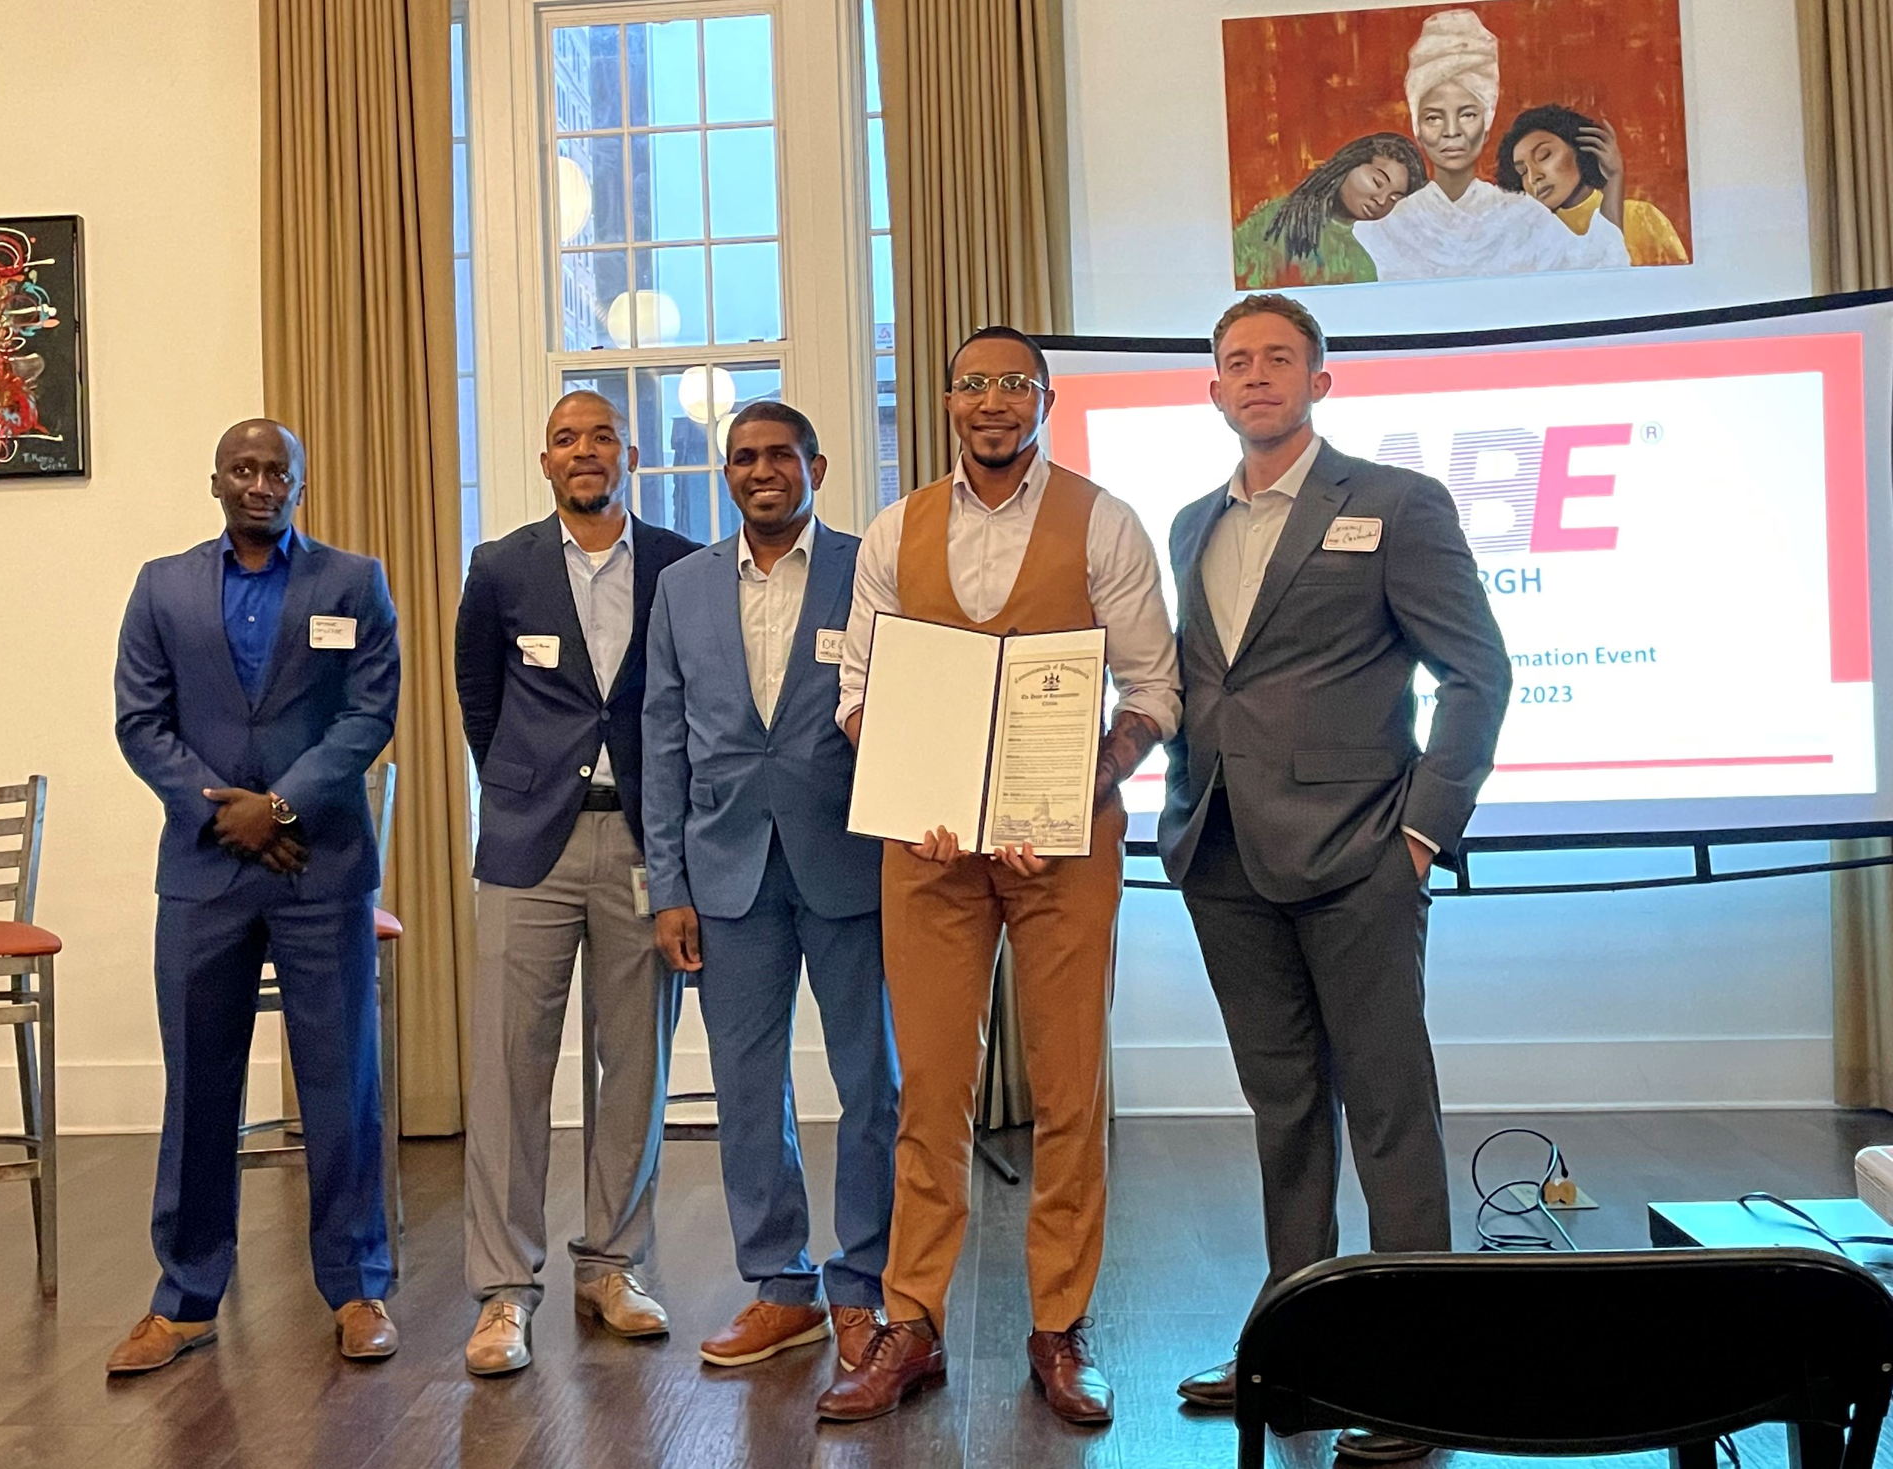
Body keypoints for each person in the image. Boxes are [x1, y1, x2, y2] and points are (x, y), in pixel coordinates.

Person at [1160, 295, 1510, 1463]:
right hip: (1219, 852)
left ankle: (1418, 1368)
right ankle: (1296, 1346)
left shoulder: (1395, 503)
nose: (1253, 376)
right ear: (1211, 390)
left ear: (1319, 378)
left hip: (1359, 851)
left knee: (1387, 1106)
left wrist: (1419, 834)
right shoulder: (1188, 522)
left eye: (1275, 359)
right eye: (1232, 363)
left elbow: (1477, 671)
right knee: (1283, 1108)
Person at [815, 327, 1181, 1427]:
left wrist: (1077, 787)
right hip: (925, 852)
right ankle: (910, 1324)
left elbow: (1153, 692)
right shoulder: (896, 528)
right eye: (971, 383)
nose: (989, 401)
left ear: (1043, 399)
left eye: (1010, 384)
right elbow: (857, 684)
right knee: (929, 1091)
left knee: (1068, 1089)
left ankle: (1058, 1326)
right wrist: (902, 771)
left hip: (1062, 847)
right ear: (945, 399)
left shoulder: (1103, 519)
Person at [108, 418, 401, 1373]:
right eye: (245, 468)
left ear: (301, 484)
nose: (261, 482)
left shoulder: (353, 582)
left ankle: (357, 1288)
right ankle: (186, 1296)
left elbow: (369, 715)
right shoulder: (163, 586)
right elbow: (139, 721)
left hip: (321, 866)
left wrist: (276, 807)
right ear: (217, 481)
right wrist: (225, 815)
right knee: (198, 1085)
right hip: (203, 869)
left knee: (340, 1083)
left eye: (279, 469)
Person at [641, 400, 900, 1378]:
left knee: (869, 1079)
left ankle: (862, 1280)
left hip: (848, 859)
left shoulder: (865, 568)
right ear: (727, 473)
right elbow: (658, 741)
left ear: (816, 465)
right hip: (724, 872)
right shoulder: (681, 586)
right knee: (748, 1085)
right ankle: (779, 1287)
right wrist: (667, 882)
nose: (761, 471)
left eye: (779, 456)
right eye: (743, 458)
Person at [453, 390, 702, 1376]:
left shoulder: (682, 565)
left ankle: (611, 1263)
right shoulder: (500, 567)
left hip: (646, 843)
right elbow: (480, 695)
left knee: (634, 1059)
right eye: (566, 438)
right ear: (545, 459)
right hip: (530, 845)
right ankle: (502, 1291)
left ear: (628, 453)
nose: (585, 451)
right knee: (509, 1064)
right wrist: (521, 780)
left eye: (601, 435)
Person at [1353, 8, 1628, 281]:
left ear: (1485, 129)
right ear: (1419, 133)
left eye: (1468, 115)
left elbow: (1599, 269)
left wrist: (1614, 179)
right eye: (1434, 117)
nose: (1451, 131)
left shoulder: (1522, 216)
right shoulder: (1388, 227)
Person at [1496, 105, 1689, 267]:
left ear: (1580, 148)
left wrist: (1614, 178)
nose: (1533, 177)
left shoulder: (1641, 217)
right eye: (1522, 171)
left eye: (1544, 155)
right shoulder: (1533, 239)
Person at [1232, 133, 1427, 288]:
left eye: (1395, 198)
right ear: (1349, 164)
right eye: (1377, 182)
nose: (1381, 200)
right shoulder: (1278, 217)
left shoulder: (1360, 264)